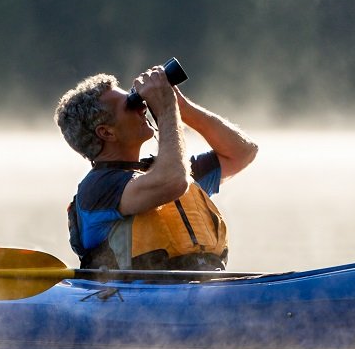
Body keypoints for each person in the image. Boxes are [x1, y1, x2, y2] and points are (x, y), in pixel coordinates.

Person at [54, 65, 258, 271]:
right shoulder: (98, 187)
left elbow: (242, 152)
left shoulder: (167, 169)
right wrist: (165, 110)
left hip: (203, 288)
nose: (143, 108)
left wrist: (182, 108)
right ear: (106, 132)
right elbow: (173, 182)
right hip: (138, 296)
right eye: (130, 106)